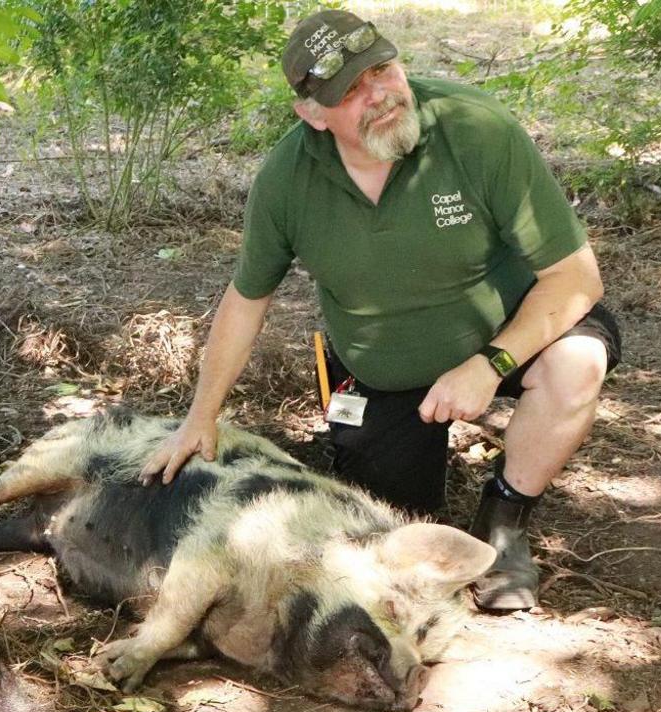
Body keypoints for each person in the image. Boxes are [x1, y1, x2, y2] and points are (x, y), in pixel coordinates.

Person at [140, 9, 621, 612]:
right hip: (383, 369)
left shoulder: (476, 130)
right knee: (389, 528)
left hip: (510, 333)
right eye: (352, 90)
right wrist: (199, 417)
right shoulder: (286, 182)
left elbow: (576, 276)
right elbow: (246, 299)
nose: (382, 95)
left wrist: (489, 364)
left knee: (576, 362)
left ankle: (505, 517)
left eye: (383, 69)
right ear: (313, 114)